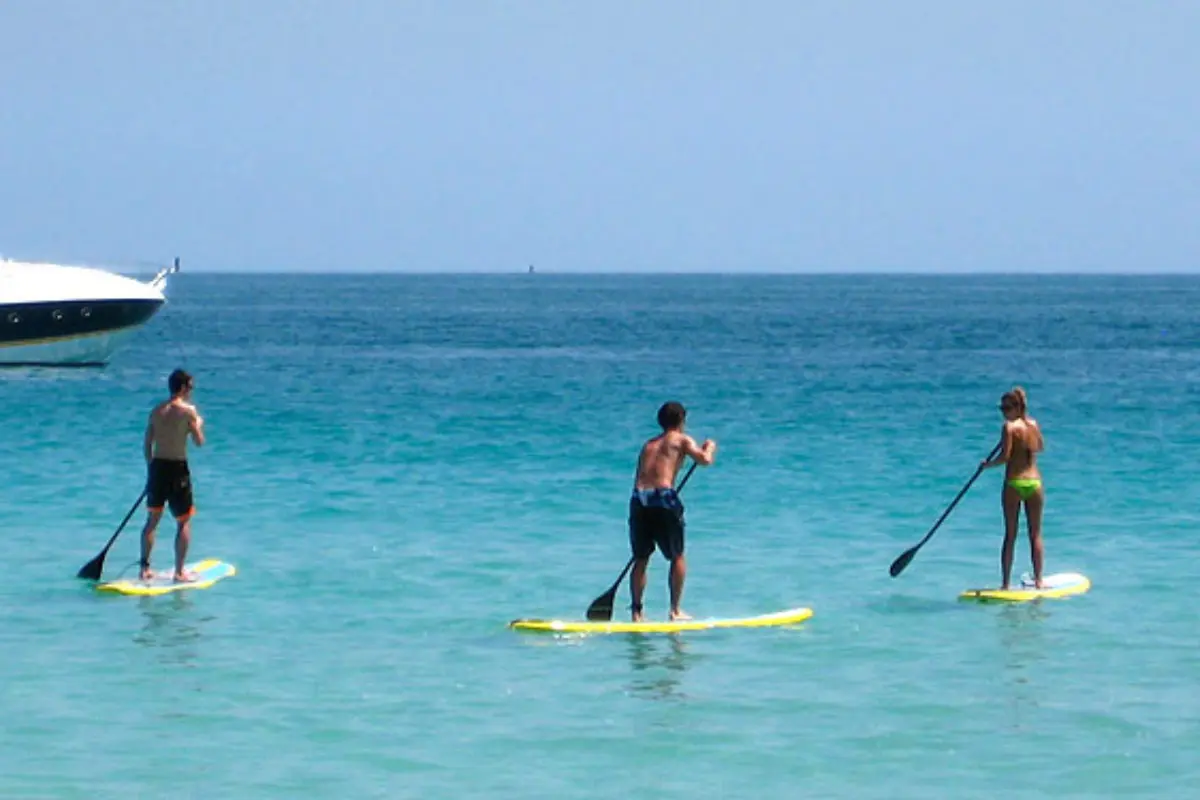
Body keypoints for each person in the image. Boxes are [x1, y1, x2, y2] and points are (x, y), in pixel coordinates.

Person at [628, 401, 717, 621]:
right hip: (663, 498)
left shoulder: (648, 444)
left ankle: (637, 613)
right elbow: (704, 461)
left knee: (641, 558)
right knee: (677, 556)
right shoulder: (681, 439)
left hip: (639, 499)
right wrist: (709, 447)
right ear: (681, 421)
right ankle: (675, 610)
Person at [140, 369, 205, 582]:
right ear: (184, 387)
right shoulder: (188, 412)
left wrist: (151, 469)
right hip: (177, 468)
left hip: (158, 467)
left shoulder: (156, 411)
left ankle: (145, 569)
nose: (192, 391)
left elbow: (147, 444)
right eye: (191, 387)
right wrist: (198, 425)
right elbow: (199, 442)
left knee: (152, 520)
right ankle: (179, 572)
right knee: (184, 521)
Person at [980, 386, 1044, 589]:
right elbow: (1040, 447)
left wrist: (987, 465)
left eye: (1006, 408)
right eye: (1002, 409)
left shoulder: (1009, 427)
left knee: (1010, 535)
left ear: (1016, 407)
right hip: (1035, 483)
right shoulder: (1033, 424)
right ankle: (1039, 580)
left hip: (1015, 483)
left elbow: (1005, 457)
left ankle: (1005, 584)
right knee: (1035, 534)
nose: (1004, 413)